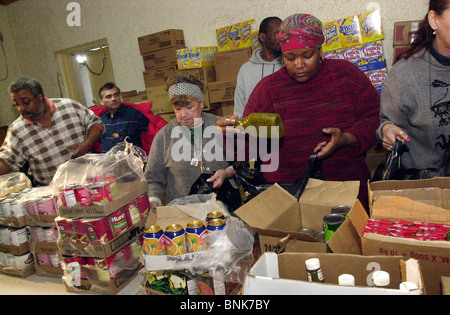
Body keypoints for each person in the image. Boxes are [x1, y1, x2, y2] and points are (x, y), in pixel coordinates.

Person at [218, 13, 380, 209]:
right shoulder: (268, 90)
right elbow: (249, 151)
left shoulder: (347, 76)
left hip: (348, 192)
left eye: (307, 55)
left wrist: (346, 138)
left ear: (320, 50)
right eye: (290, 58)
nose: (299, 65)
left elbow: (375, 118)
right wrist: (231, 134)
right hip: (291, 200)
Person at [377, 0, 450, 178]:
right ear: (434, 20)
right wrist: (387, 131)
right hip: (426, 185)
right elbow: (386, 126)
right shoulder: (406, 74)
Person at [145, 72, 235, 208]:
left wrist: (227, 173)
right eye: (177, 109)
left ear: (201, 103)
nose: (183, 114)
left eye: (189, 107)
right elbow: (154, 178)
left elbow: (243, 163)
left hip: (224, 207)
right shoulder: (164, 136)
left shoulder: (220, 126)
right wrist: (154, 200)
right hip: (184, 211)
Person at [0, 76, 104, 185]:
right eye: (16, 104)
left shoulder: (69, 107)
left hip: (89, 182)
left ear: (40, 97)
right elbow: (7, 160)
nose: (21, 109)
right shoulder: (17, 130)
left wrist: (87, 144)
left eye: (25, 102)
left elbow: (96, 123)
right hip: (52, 191)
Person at [234, 16, 284, 118]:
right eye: (277, 33)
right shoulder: (246, 69)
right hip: (255, 131)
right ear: (262, 37)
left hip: (284, 130)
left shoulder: (288, 65)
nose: (282, 37)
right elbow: (239, 107)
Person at [98, 82, 150, 153]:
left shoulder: (134, 114)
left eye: (116, 95)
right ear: (101, 101)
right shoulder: (100, 120)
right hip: (109, 161)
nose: (113, 99)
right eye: (109, 96)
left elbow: (149, 133)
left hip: (131, 161)